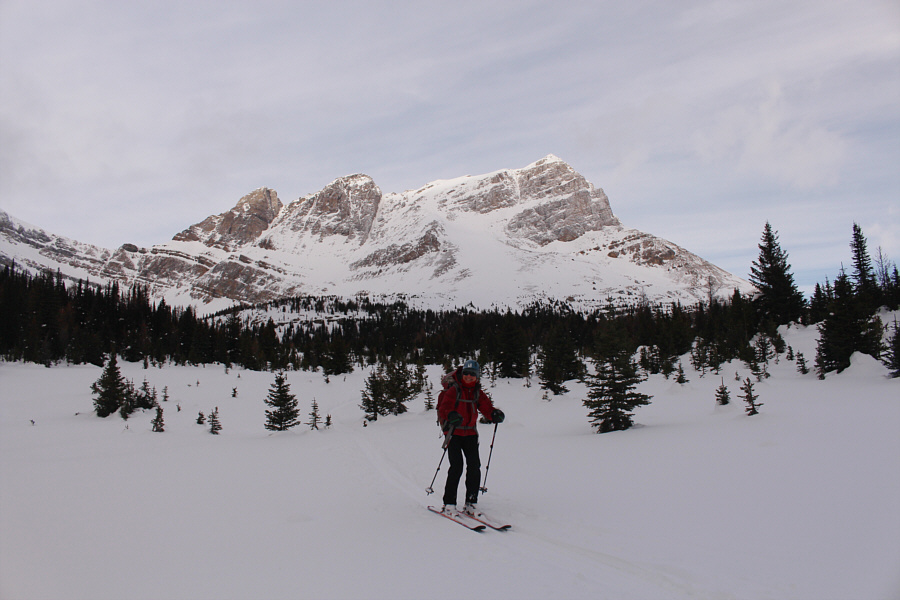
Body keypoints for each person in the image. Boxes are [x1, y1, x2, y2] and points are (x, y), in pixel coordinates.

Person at [437, 359, 505, 515]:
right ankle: (449, 504)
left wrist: (494, 414)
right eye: (466, 373)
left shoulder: (477, 392)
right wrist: (451, 415)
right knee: (457, 467)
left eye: (472, 374)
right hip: (453, 433)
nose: (469, 377)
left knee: (474, 467)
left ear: (477, 376)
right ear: (462, 374)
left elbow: (486, 407)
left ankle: (471, 502)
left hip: (471, 434)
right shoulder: (454, 390)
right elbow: (443, 408)